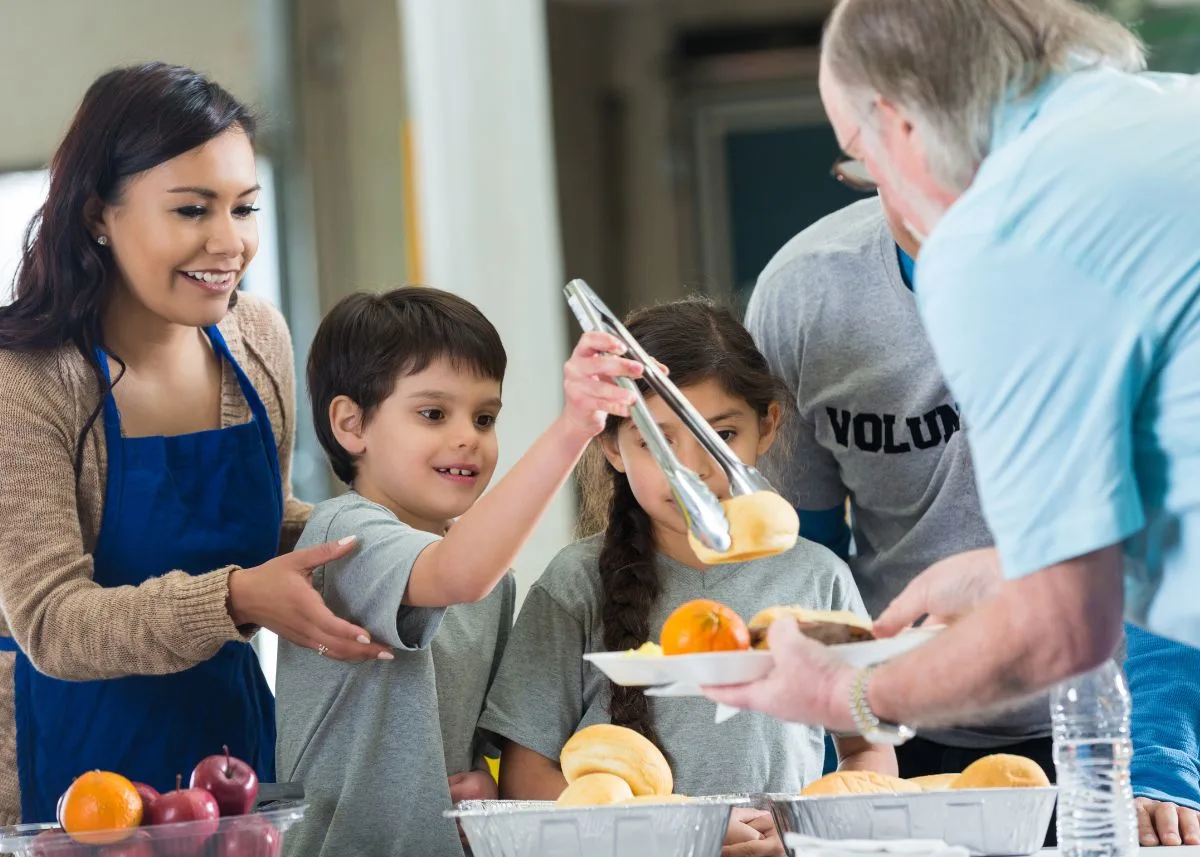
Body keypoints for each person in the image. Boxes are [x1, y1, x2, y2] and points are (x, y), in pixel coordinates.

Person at [707, 0, 1200, 795]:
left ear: (901, 128)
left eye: (858, 154)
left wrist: (850, 695)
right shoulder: (1177, 118)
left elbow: (1061, 626)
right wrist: (1014, 572)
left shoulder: (999, 235)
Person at [0, 62, 390, 826]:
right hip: (62, 760)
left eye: (244, 207)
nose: (229, 242)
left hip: (229, 751)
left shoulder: (255, 338)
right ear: (95, 217)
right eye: (190, 209)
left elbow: (265, 520)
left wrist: (389, 544)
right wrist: (239, 595)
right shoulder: (29, 377)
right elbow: (50, 621)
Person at [745, 194, 1200, 844]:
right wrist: (833, 769)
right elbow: (809, 578)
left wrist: (1165, 761)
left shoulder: (1124, 275)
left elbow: (1173, 544)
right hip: (901, 730)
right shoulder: (807, 294)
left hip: (1110, 724)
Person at [481, 300, 896, 857]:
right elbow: (525, 780)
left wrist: (808, 825)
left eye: (721, 433)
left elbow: (869, 751)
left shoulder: (819, 579)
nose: (694, 469)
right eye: (657, 442)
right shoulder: (575, 582)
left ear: (766, 427)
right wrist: (668, 834)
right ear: (612, 446)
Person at [274, 287, 642, 857]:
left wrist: (483, 778)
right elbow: (457, 573)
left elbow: (474, 731)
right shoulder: (344, 535)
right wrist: (574, 428)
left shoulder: (492, 581)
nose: (469, 436)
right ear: (352, 425)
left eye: (485, 416)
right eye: (433, 414)